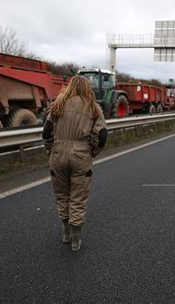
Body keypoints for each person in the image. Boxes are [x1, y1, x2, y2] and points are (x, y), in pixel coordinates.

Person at [42, 76, 107, 252]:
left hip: (58, 153)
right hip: (81, 155)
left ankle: (65, 231)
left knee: (62, 195)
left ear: (69, 87)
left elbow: (47, 132)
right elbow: (101, 136)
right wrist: (91, 152)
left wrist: (51, 149)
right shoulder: (93, 107)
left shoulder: (58, 104)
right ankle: (76, 237)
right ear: (87, 88)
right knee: (78, 197)